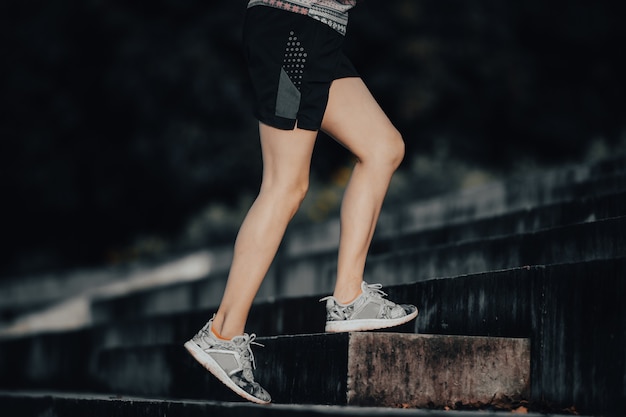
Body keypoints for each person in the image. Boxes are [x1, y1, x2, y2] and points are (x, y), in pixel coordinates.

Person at [184, 0, 418, 404]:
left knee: (383, 146)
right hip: (293, 26)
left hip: (318, 32)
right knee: (285, 185)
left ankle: (349, 300)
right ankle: (223, 334)